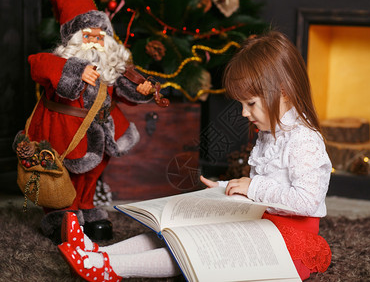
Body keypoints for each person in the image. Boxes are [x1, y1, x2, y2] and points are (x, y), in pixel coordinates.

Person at [57, 30, 332, 281]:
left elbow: (307, 201)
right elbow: (265, 189)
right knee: (174, 232)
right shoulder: (271, 132)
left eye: (250, 103)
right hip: (262, 222)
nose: (244, 113)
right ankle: (97, 253)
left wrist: (254, 187)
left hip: (289, 243)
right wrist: (229, 189)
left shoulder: (304, 139)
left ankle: (110, 269)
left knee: (195, 248)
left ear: (283, 92)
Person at [14, 0, 154, 243]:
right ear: (73, 39)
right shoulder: (59, 62)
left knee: (91, 174)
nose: (95, 38)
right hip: (65, 134)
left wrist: (142, 88)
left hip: (100, 132)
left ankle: (87, 209)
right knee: (61, 175)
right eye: (87, 34)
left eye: (101, 34)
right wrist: (75, 70)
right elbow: (37, 62)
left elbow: (125, 89)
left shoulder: (110, 65)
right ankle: (61, 215)